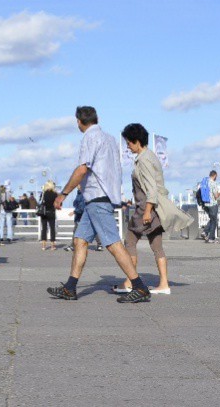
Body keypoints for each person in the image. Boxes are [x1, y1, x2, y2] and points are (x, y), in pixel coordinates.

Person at [47, 106, 150, 304]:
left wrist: (63, 194)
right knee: (80, 240)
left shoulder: (89, 138)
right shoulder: (110, 139)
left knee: (113, 243)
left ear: (79, 121)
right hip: (102, 197)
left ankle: (139, 287)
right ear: (97, 118)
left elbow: (82, 169)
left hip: (97, 197)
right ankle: (70, 288)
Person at [118, 123, 171, 294]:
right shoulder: (151, 156)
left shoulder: (144, 160)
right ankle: (164, 284)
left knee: (130, 242)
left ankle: (130, 282)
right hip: (155, 208)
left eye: (129, 142)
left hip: (145, 208)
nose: (128, 146)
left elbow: (151, 189)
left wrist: (147, 211)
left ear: (137, 141)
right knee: (157, 246)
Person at [199, 170, 220, 243]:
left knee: (212, 219)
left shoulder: (205, 182)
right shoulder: (213, 183)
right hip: (212, 204)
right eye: (216, 176)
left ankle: (205, 232)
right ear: (215, 175)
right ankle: (211, 238)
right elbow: (215, 196)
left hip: (206, 204)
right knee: (214, 221)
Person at [39, 181, 58, 250]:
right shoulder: (55, 194)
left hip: (44, 212)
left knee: (44, 228)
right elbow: (58, 204)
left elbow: (40, 202)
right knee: (52, 228)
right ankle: (52, 245)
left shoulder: (43, 193)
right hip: (52, 212)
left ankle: (43, 245)